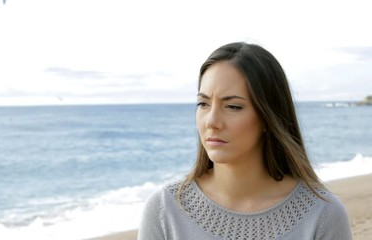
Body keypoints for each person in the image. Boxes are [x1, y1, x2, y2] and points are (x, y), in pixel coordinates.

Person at [138, 42, 352, 240]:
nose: (212, 121)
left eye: (233, 106)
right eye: (203, 104)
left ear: (269, 116)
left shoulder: (322, 214)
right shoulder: (165, 210)